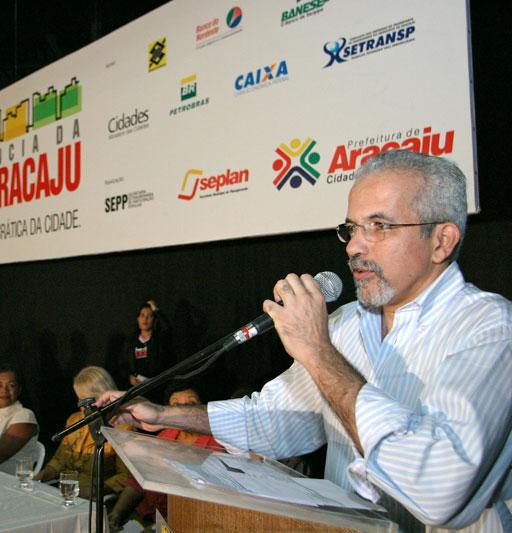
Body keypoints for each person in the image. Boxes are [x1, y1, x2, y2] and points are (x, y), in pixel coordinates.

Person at [96, 151, 512, 531]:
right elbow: (274, 418)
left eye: (380, 226)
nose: (354, 247)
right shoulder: (346, 324)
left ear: (441, 240)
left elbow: (439, 491)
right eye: (352, 228)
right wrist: (163, 415)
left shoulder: (489, 328)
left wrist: (318, 352)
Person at [107, 382, 222, 531]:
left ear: (203, 409)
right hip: (143, 517)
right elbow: (137, 482)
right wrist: (117, 514)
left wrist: (160, 527)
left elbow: (207, 503)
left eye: (191, 404)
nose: (183, 411)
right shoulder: (165, 435)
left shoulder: (218, 446)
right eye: (176, 405)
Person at [35, 366, 133, 499]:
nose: (79, 405)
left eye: (84, 401)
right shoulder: (74, 420)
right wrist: (38, 478)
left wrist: (92, 491)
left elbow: (124, 477)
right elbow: (60, 460)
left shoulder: (123, 428)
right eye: (79, 399)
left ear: (101, 398)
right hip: (65, 493)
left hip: (94, 498)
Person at [126, 301, 173, 388]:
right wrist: (129, 377)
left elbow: (168, 328)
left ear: (154, 319)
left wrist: (156, 310)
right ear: (138, 318)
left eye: (149, 316)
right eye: (142, 315)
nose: (145, 319)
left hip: (157, 385)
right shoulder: (131, 342)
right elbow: (124, 365)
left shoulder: (159, 339)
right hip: (137, 387)